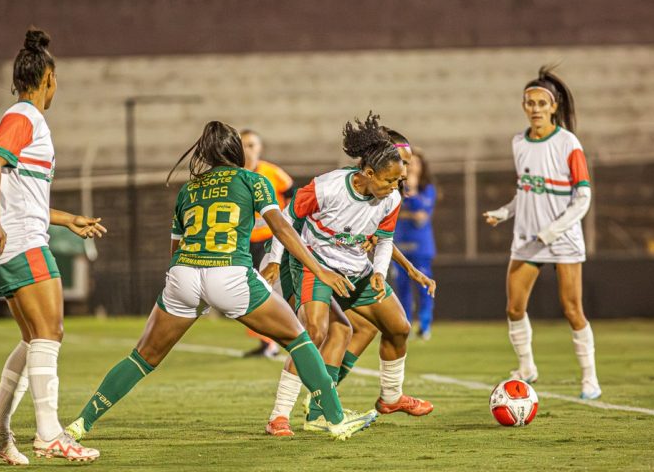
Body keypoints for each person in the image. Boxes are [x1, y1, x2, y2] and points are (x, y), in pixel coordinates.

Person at [64, 121, 377, 443]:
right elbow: (282, 229)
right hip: (229, 273)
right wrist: (318, 268)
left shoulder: (189, 189)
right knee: (300, 339)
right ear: (236, 151)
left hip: (183, 273)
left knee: (142, 357)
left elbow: (175, 248)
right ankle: (337, 420)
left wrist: (183, 289)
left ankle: (81, 423)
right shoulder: (254, 180)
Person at [0, 29, 106, 464]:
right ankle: (49, 434)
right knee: (50, 333)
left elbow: (21, 189)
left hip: (13, 235)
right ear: (48, 77)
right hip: (17, 237)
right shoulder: (25, 116)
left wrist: (68, 219)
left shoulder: (27, 120)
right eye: (56, 77)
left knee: (35, 337)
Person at [261, 114, 434, 437]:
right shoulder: (327, 188)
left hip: (356, 268)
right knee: (317, 332)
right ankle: (279, 416)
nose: (396, 187)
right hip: (315, 264)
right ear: (367, 173)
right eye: (390, 180)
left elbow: (383, 240)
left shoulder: (391, 198)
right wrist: (274, 260)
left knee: (397, 327)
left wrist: (380, 273)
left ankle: (387, 398)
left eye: (398, 180)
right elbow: (285, 220)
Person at [483, 67, 601, 400]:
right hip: (527, 240)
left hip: (561, 239)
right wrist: (503, 213)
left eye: (540, 103)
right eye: (529, 102)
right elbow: (526, 190)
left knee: (572, 310)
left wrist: (553, 230)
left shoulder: (568, 143)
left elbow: (583, 197)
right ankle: (527, 367)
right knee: (514, 308)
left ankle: (590, 378)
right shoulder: (519, 142)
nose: (534, 108)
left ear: (553, 107)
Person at [240, 129, 293, 359]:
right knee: (248, 291)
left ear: (259, 148)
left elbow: (292, 195)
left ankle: (280, 337)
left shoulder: (272, 172)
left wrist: (288, 224)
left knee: (269, 290)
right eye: (244, 145)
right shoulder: (235, 176)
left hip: (270, 240)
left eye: (252, 145)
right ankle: (266, 341)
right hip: (244, 241)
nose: (248, 150)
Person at [394, 149, 437, 340]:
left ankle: (425, 325)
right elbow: (393, 215)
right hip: (400, 245)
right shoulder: (395, 188)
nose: (412, 167)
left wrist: (411, 190)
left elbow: (422, 215)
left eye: (416, 164)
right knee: (402, 287)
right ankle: (406, 325)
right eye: (409, 163)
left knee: (423, 286)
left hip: (421, 245)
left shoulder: (427, 189)